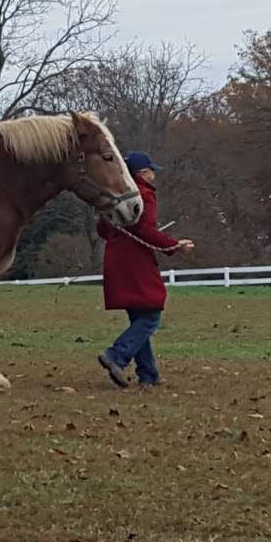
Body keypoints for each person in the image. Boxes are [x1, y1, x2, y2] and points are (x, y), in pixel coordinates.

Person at [96, 151, 194, 388]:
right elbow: (146, 230)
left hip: (116, 260)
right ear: (142, 173)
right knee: (151, 315)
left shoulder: (115, 196)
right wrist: (174, 245)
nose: (153, 175)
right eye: (151, 171)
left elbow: (102, 229)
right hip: (136, 262)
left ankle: (148, 374)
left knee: (139, 316)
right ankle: (116, 355)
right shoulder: (145, 196)